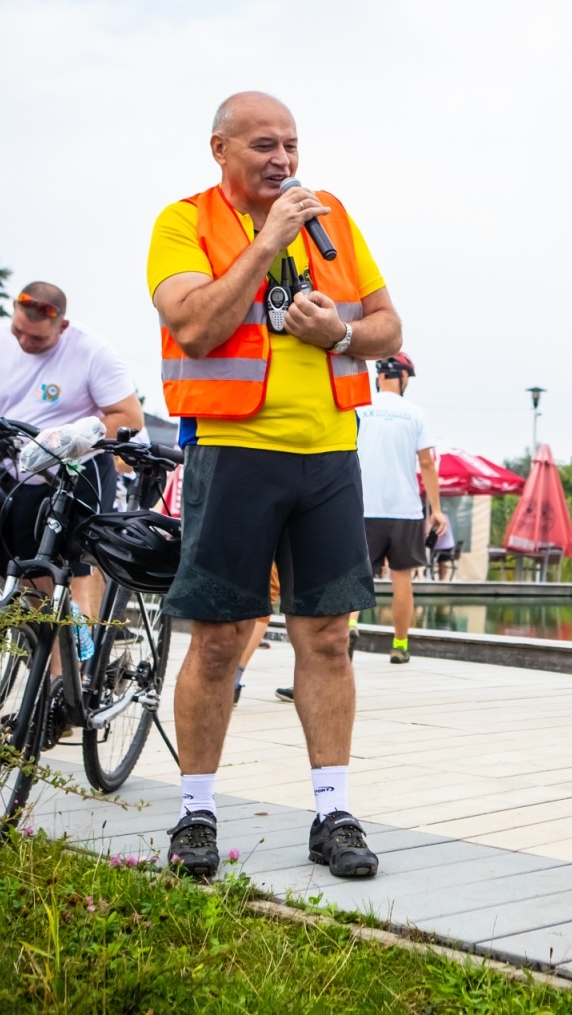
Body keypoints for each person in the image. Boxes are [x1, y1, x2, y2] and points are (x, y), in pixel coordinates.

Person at [149, 91, 401, 880]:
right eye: (264, 145)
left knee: (328, 636)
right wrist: (266, 246)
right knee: (219, 639)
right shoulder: (183, 223)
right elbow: (193, 324)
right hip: (234, 452)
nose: (283, 160)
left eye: (291, 144)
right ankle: (195, 813)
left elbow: (391, 326)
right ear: (220, 148)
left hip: (329, 454)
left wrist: (345, 334)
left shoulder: (333, 219)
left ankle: (333, 812)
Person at [0, 282, 145, 739]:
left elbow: (128, 418)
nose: (25, 344)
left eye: (37, 339)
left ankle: (62, 695)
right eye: (19, 332)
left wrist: (76, 435)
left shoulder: (93, 352)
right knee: (35, 586)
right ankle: (61, 670)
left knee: (72, 579)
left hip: (81, 471)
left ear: (63, 324)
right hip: (24, 475)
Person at [280, 351, 442, 691]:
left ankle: (351, 624)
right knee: (402, 579)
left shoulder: (361, 408)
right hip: (404, 509)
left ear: (379, 375)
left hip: (362, 505)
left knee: (353, 577)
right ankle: (399, 647)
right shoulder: (415, 414)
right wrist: (436, 510)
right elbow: (427, 464)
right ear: (403, 377)